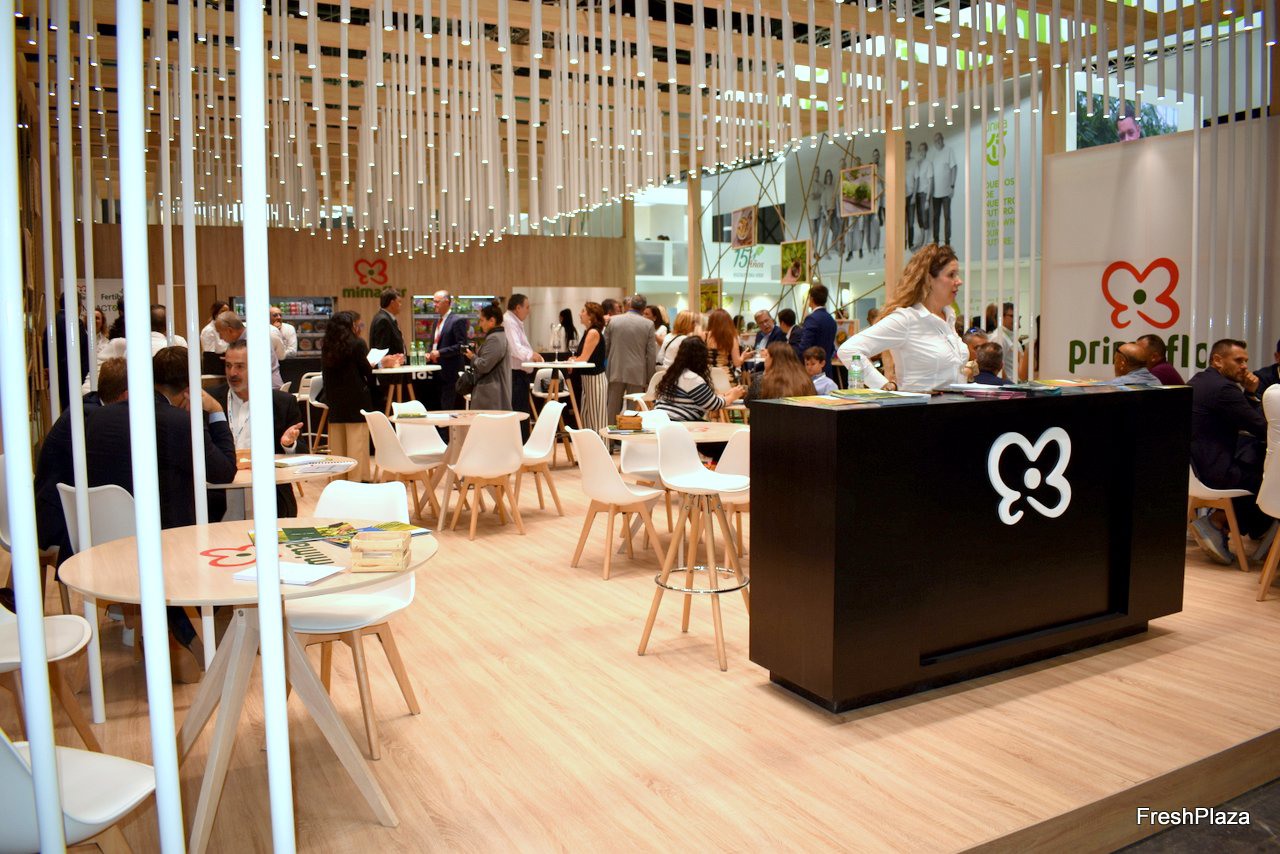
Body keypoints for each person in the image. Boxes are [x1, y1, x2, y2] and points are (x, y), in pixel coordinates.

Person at [84, 346, 237, 682]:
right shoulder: (178, 422)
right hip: (161, 544)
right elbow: (224, 471)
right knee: (218, 517)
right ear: (188, 389)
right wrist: (214, 412)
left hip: (102, 539)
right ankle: (191, 633)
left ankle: (174, 631)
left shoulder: (98, 417)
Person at [35, 357, 128, 567]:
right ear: (126, 395)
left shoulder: (87, 409)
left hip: (56, 509)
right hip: (60, 521)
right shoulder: (94, 420)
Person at [837, 244, 967, 391]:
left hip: (958, 403)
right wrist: (882, 385)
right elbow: (849, 350)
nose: (959, 281)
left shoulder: (948, 316)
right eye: (951, 275)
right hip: (922, 405)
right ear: (929, 279)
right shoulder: (907, 319)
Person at [1188, 339, 1272, 564]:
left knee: (1255, 465)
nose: (1244, 366)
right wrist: (1252, 394)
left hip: (1195, 469)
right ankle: (1218, 523)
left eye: (1245, 361)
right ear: (1217, 360)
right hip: (1214, 472)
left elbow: (1242, 418)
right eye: (1238, 360)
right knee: (1269, 482)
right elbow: (1261, 427)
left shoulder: (1199, 380)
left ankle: (1221, 524)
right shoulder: (1224, 389)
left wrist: (1248, 394)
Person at [209, 339, 305, 517]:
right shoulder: (211, 401)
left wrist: (288, 445)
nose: (232, 373)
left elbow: (303, 454)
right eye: (228, 366)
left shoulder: (282, 403)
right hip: (220, 494)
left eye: (239, 366)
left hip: (270, 494)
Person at [320, 311, 378, 482]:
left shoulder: (327, 345)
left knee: (338, 442)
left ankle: (338, 477)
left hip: (335, 398)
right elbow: (366, 371)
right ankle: (357, 477)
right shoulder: (357, 343)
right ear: (352, 326)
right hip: (356, 397)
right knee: (357, 441)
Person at [654, 337, 745, 422]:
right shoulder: (692, 378)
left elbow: (705, 398)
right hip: (679, 423)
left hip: (661, 420)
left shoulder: (674, 373)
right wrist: (732, 396)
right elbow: (713, 405)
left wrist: (725, 395)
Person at [604, 294, 657, 425]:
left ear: (630, 305)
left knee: (612, 407)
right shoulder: (648, 324)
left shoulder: (613, 321)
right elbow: (651, 355)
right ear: (643, 308)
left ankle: (609, 435)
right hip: (637, 372)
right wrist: (650, 378)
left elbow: (605, 347)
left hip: (616, 368)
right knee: (632, 411)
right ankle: (628, 436)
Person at [504, 293, 543, 440]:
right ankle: (521, 445)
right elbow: (516, 348)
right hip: (515, 375)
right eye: (527, 307)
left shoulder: (514, 321)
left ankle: (522, 444)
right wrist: (531, 355)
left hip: (519, 374)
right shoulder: (509, 321)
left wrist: (532, 354)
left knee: (522, 413)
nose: (529, 310)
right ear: (517, 308)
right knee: (519, 413)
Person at [214, 310, 283, 388]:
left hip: (268, 389)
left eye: (220, 333)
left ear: (230, 330)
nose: (220, 337)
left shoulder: (254, 341)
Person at [428, 290, 471, 409]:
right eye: (433, 301)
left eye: (437, 302)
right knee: (438, 405)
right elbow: (434, 343)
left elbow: (462, 346)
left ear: (447, 302)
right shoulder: (436, 321)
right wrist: (429, 352)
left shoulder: (457, 320)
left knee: (448, 406)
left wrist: (439, 353)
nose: (434, 304)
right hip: (436, 370)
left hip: (451, 371)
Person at [570, 302, 607, 431]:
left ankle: (601, 445)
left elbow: (583, 359)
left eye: (583, 311)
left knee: (597, 422)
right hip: (587, 380)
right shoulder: (588, 332)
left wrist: (572, 361)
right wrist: (574, 359)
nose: (580, 314)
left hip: (595, 380)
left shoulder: (593, 333)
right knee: (587, 420)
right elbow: (583, 357)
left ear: (591, 315)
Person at [467, 303, 511, 410]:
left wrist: (472, 357)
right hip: (492, 393)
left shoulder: (495, 339)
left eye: (482, 320)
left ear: (492, 320)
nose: (480, 324)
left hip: (490, 396)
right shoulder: (497, 336)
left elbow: (484, 365)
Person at [747, 342, 816, 401]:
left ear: (772, 360)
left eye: (767, 355)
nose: (765, 359)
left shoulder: (762, 382)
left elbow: (748, 402)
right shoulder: (806, 380)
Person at [51, 306, 89, 412]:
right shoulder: (75, 322)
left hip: (58, 371)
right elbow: (82, 347)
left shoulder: (53, 321)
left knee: (64, 403)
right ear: (78, 306)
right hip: (75, 371)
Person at [797, 284, 838, 381]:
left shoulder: (812, 319)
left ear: (811, 298)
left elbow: (805, 346)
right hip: (827, 369)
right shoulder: (831, 320)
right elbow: (831, 347)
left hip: (812, 371)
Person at [930, 131, 957, 246]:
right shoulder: (933, 155)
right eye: (935, 140)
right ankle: (935, 241)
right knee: (935, 218)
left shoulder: (949, 151)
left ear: (943, 139)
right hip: (935, 194)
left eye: (939, 139)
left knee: (947, 217)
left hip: (946, 192)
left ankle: (947, 242)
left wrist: (952, 186)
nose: (938, 142)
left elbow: (954, 168)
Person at [704, 308, 744, 375]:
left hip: (707, 375)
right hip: (725, 376)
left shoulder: (704, 335)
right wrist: (744, 356)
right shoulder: (732, 338)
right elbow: (737, 363)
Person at [994, 302, 1027, 381]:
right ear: (1001, 317)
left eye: (1018, 317)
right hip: (1008, 384)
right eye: (1012, 316)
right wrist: (1007, 383)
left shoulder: (1010, 336)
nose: (1016, 320)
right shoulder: (999, 338)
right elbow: (997, 366)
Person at [914, 141, 933, 247]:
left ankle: (926, 241)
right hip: (917, 194)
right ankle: (922, 239)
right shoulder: (917, 164)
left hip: (924, 194)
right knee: (920, 218)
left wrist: (927, 199)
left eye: (923, 149)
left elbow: (930, 182)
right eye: (920, 150)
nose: (922, 152)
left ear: (926, 151)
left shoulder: (928, 164)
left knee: (925, 218)